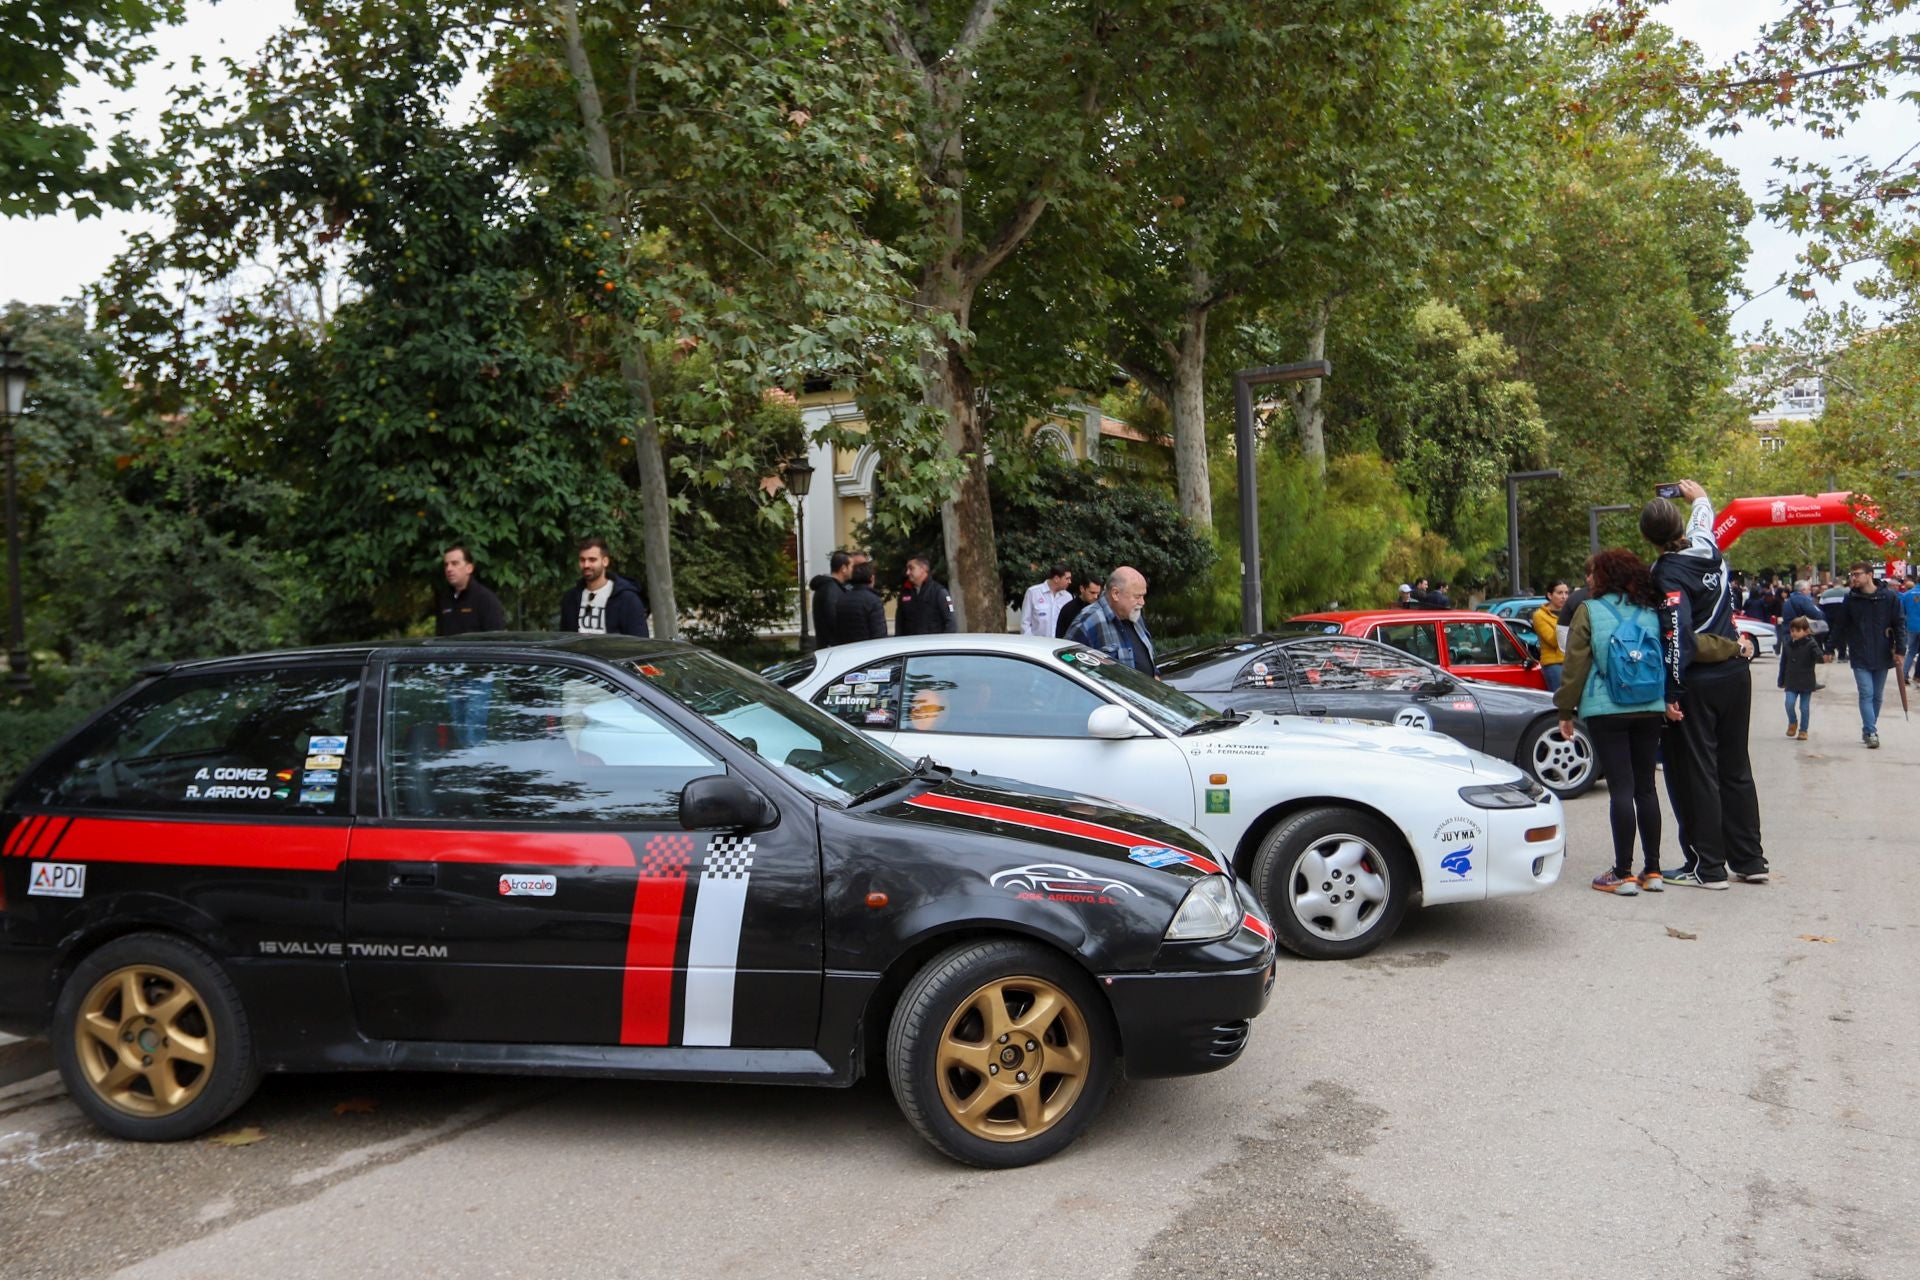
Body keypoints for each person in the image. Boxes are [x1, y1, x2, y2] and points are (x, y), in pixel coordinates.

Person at [1642, 480, 1767, 889]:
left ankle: (1708, 867)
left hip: (1698, 680)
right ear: (1682, 524)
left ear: (1648, 540)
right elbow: (1704, 516)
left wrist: (1671, 693)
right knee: (1735, 767)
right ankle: (1750, 860)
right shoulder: (1708, 547)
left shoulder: (1666, 572)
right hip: (1736, 673)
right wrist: (1697, 496)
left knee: (1698, 773)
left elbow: (1677, 634)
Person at [1555, 550, 1669, 896]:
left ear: (1605, 576)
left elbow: (1574, 665)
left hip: (1607, 710)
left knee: (1621, 788)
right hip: (1650, 705)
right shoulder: (1650, 611)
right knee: (1646, 787)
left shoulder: (1589, 610)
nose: (1588, 580)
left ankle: (1622, 872)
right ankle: (1653, 870)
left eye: (1593, 574)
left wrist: (1565, 710)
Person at [1829, 561, 1907, 748]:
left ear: (1870, 575)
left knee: (1877, 696)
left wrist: (1901, 650)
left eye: (1857, 574)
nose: (1853, 578)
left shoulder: (1889, 597)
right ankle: (1872, 731)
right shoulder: (1851, 599)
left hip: (1882, 651)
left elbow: (1899, 624)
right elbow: (1840, 624)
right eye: (1851, 575)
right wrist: (1829, 648)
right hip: (1859, 652)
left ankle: (1868, 728)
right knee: (1866, 693)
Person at [1066, 567, 1155, 675]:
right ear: (1115, 594)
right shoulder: (1088, 621)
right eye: (1137, 596)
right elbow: (1067, 669)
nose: (1142, 602)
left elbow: (1148, 663)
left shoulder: (1135, 615)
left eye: (1143, 596)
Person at [560, 537, 650, 637]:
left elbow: (639, 640)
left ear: (605, 561)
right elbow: (564, 638)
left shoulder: (627, 599)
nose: (586, 565)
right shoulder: (571, 598)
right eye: (582, 560)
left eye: (592, 560)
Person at [435, 544, 507, 635]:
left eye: (455, 563)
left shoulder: (485, 599)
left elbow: (495, 639)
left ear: (469, 568)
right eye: (446, 565)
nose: (449, 569)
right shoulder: (444, 599)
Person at [1776, 578, 1825, 683]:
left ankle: (1783, 680)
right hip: (1800, 632)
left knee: (1787, 657)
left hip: (1787, 630)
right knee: (1805, 659)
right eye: (1808, 589)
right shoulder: (1803, 600)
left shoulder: (1788, 601)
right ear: (1803, 590)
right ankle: (1808, 682)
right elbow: (1816, 614)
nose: (1810, 591)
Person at [1781, 616, 1821, 741]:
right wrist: (1781, 679)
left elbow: (1818, 656)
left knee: (1804, 707)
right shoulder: (1787, 644)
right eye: (1792, 631)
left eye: (1797, 631)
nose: (1794, 633)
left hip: (1806, 680)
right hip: (1791, 680)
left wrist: (1822, 656)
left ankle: (1803, 730)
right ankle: (1792, 722)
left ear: (1806, 631)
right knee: (1789, 703)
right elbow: (1783, 663)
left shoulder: (1811, 644)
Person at [895, 557, 957, 635]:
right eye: (907, 569)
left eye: (911, 568)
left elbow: (950, 622)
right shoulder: (905, 593)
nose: (907, 572)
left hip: (932, 645)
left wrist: (945, 644)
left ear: (923, 569)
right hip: (911, 645)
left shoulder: (938, 592)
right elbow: (899, 624)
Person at [1532, 580, 1570, 692]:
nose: (1564, 596)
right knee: (1561, 700)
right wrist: (1565, 620)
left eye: (1566, 593)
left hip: (1572, 662)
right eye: (1560, 593)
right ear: (1550, 595)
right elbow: (1553, 641)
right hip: (1554, 663)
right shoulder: (1540, 615)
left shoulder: (1570, 612)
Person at [811, 550, 852, 647]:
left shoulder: (828, 587)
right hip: (833, 646)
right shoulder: (832, 590)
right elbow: (833, 620)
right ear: (843, 568)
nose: (853, 570)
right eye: (851, 566)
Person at [838, 561, 888, 641]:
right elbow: (879, 634)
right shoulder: (873, 601)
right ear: (872, 578)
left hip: (845, 649)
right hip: (866, 650)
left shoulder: (842, 598)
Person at [1020, 563, 1073, 637]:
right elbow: (1025, 623)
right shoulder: (1033, 592)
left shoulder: (1068, 597)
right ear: (1056, 579)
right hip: (1038, 645)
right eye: (1067, 578)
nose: (1070, 582)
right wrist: (1031, 642)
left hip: (1059, 645)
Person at [1898, 575, 1920, 686]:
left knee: (1911, 651)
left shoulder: (1906, 595)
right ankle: (1917, 676)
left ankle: (1904, 674)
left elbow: (1902, 612)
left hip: (1911, 626)